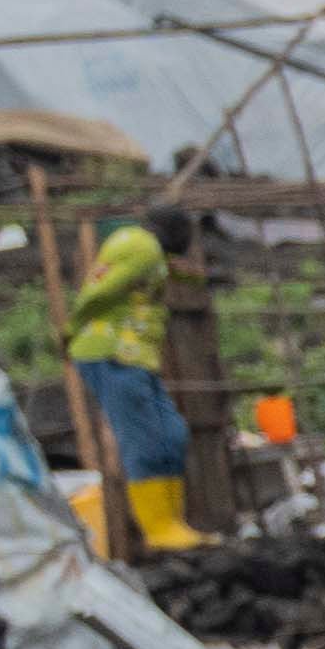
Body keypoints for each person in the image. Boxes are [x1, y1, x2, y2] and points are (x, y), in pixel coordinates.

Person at [56, 226, 189, 549]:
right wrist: (71, 329)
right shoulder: (141, 247)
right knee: (143, 438)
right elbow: (98, 290)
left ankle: (173, 523)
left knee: (173, 434)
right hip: (111, 353)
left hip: (137, 358)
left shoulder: (152, 255)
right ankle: (158, 530)